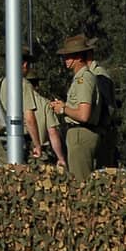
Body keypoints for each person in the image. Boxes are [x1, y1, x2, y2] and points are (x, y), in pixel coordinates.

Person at [49, 33, 101, 179]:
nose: (66, 59)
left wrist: (63, 109)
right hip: (78, 134)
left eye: (69, 56)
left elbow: (84, 114)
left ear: (79, 57)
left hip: (81, 134)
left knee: (80, 183)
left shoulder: (84, 79)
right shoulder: (80, 78)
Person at [0, 50, 42, 161]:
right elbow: (29, 118)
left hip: (1, 140)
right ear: (24, 64)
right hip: (22, 142)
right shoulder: (24, 84)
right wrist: (37, 145)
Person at [25, 68, 67, 167]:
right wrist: (61, 158)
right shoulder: (44, 104)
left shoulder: (11, 101)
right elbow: (53, 133)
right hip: (39, 154)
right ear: (37, 86)